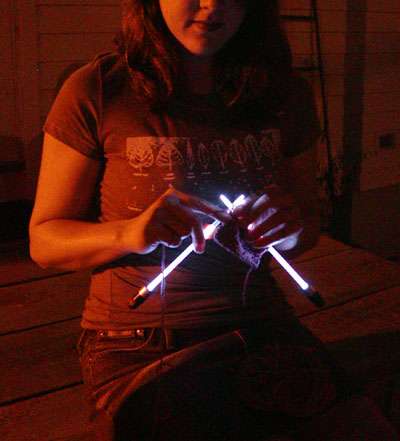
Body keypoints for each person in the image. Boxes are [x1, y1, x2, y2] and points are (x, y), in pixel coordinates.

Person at [29, 1, 397, 440]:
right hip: (136, 335)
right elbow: (44, 242)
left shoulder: (285, 94)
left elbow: (307, 230)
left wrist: (290, 228)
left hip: (261, 320)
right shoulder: (99, 89)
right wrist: (129, 233)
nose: (212, 3)